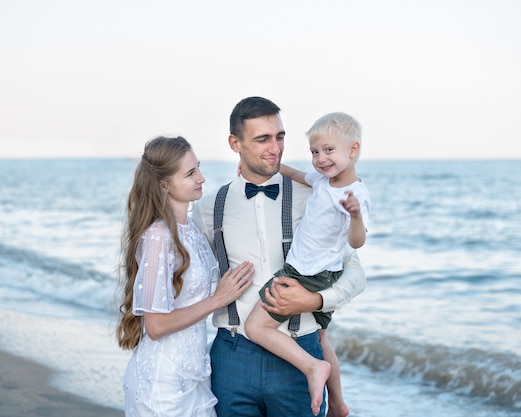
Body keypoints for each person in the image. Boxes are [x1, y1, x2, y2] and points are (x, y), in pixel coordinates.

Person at [191, 97, 367, 417]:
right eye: (262, 139)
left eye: (280, 137)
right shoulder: (209, 208)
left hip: (300, 352)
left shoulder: (316, 196)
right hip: (231, 356)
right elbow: (189, 279)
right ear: (235, 143)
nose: (275, 148)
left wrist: (315, 302)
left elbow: (354, 271)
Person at [116, 136, 254, 417]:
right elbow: (155, 326)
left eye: (198, 168)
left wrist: (242, 186)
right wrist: (217, 300)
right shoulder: (158, 237)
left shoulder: (190, 229)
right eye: (190, 173)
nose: (201, 178)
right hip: (162, 383)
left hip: (194, 375)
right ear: (164, 185)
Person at [245, 112, 371, 416]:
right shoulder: (323, 180)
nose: (320, 158)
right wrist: (265, 168)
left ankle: (312, 367)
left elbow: (357, 243)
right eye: (315, 152)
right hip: (321, 274)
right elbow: (296, 174)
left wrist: (354, 216)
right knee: (320, 336)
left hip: (307, 275)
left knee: (255, 326)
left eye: (329, 150)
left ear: (352, 150)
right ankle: (338, 403)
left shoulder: (355, 194)